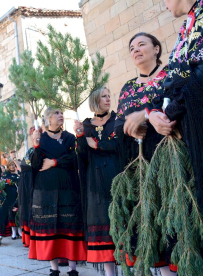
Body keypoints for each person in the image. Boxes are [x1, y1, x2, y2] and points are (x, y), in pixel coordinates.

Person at [114, 32, 177, 275]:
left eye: (142, 44)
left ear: (156, 49)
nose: (136, 50)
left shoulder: (170, 75)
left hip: (170, 163)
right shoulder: (128, 88)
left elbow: (176, 104)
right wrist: (130, 129)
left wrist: (147, 114)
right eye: (132, 47)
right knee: (149, 228)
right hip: (139, 169)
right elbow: (118, 125)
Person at [150, 0, 203, 226]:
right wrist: (153, 114)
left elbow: (198, 74)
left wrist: (171, 111)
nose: (164, 5)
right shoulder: (187, 24)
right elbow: (171, 79)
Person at [30, 107, 86, 276]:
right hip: (47, 189)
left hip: (69, 188)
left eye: (61, 113)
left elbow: (74, 159)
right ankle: (54, 268)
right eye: (56, 113)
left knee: (70, 226)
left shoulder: (69, 137)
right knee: (51, 227)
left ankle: (72, 268)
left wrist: (54, 162)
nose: (60, 116)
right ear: (48, 119)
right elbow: (35, 164)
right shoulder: (42, 138)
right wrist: (36, 144)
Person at [74, 87, 118, 276]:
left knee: (120, 218)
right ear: (95, 100)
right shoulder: (87, 124)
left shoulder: (117, 119)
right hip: (95, 181)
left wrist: (98, 144)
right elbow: (82, 155)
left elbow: (120, 144)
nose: (108, 99)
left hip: (117, 175)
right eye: (104, 96)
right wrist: (80, 136)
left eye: (109, 96)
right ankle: (109, 272)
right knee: (102, 222)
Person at [1, 159, 21, 240]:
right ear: (8, 166)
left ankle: (20, 230)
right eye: (10, 165)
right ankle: (14, 232)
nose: (12, 166)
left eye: (13, 165)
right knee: (11, 212)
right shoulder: (6, 174)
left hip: (18, 195)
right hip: (9, 195)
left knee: (18, 211)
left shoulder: (18, 173)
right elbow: (2, 185)